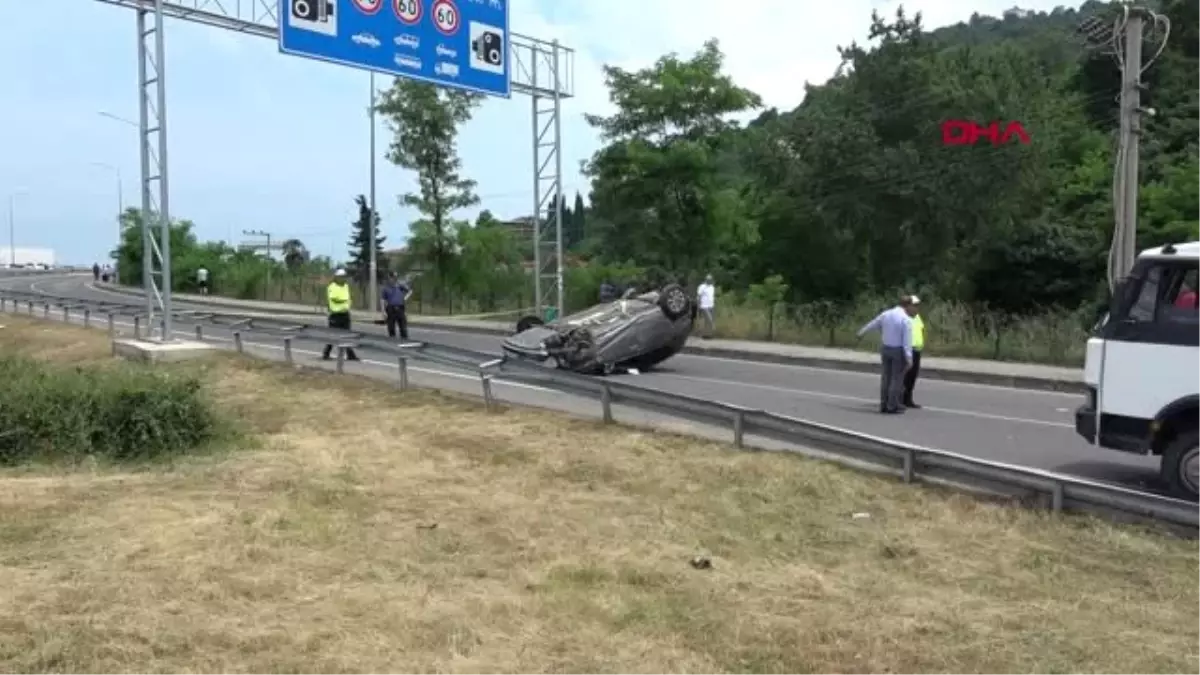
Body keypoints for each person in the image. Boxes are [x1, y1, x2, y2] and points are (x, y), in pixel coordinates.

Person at [857, 295, 917, 414]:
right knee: (896, 379)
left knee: (886, 378)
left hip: (885, 349)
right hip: (898, 351)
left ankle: (884, 404)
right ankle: (892, 405)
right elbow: (907, 341)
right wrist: (909, 357)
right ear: (908, 305)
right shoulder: (905, 319)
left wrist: (861, 332)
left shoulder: (886, 314)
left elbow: (873, 323)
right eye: (912, 306)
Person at [321, 268, 360, 361]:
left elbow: (348, 296)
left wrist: (348, 302)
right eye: (341, 277)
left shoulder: (345, 286)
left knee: (347, 334)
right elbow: (335, 298)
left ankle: (350, 354)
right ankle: (326, 353)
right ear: (337, 277)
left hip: (345, 313)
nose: (343, 279)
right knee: (333, 335)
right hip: (335, 314)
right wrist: (345, 300)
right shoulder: (332, 286)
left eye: (344, 277)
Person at [902, 295, 925, 409]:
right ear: (908, 305)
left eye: (917, 305)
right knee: (905, 376)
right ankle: (900, 398)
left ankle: (908, 399)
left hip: (917, 350)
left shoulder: (917, 317)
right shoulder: (903, 317)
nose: (916, 307)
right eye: (914, 305)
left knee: (912, 376)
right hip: (907, 349)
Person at [380, 271, 412, 341]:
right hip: (390, 309)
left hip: (400, 308)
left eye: (395, 278)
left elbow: (410, 291)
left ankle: (404, 340)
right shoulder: (385, 288)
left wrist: (405, 298)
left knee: (403, 327)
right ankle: (393, 342)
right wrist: (383, 312)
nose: (394, 279)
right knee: (391, 328)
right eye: (393, 278)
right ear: (389, 278)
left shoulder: (400, 286)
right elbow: (382, 300)